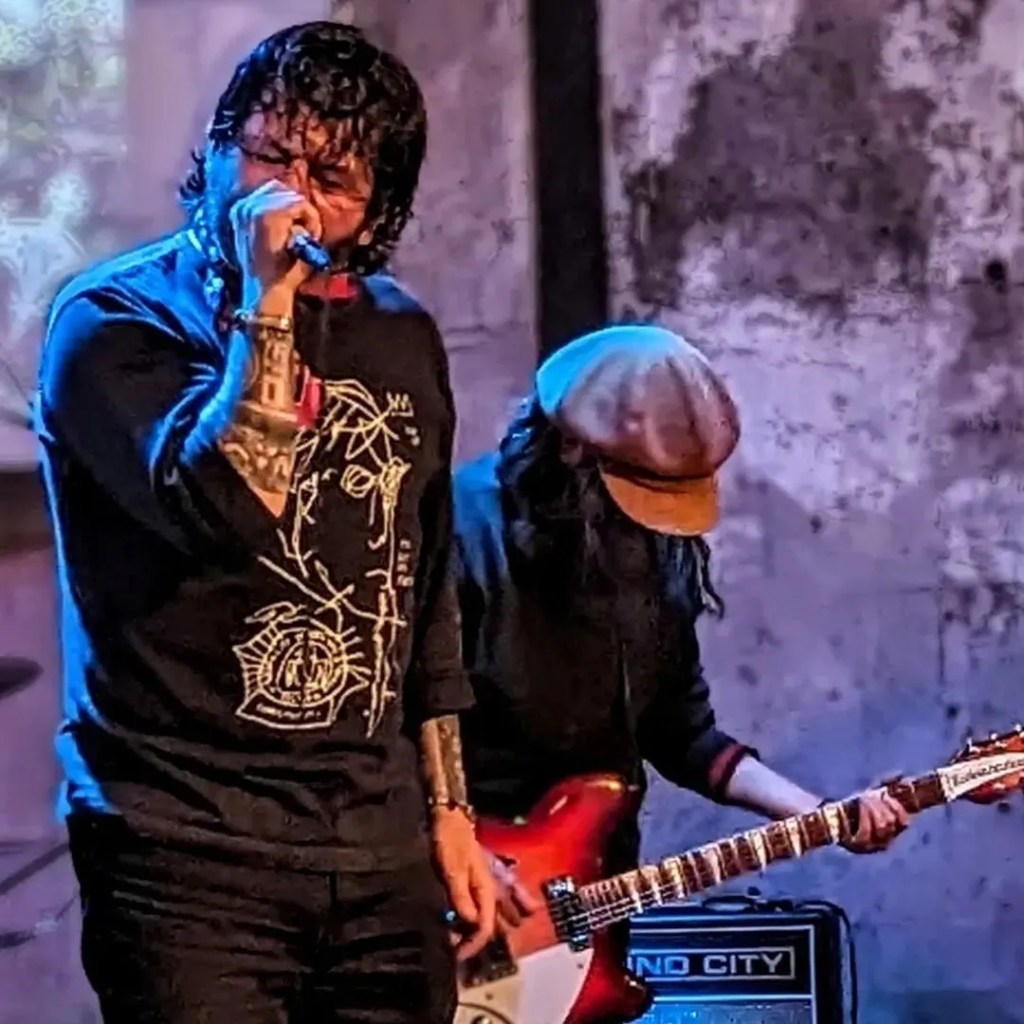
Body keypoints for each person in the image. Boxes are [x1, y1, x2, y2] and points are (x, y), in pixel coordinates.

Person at [36, 22, 494, 1024]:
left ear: (377, 209)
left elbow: (423, 589)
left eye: (330, 176)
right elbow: (235, 505)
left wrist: (450, 811)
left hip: (376, 849)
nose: (288, 194)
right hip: (185, 851)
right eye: (268, 153)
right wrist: (267, 301)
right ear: (214, 150)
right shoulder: (114, 322)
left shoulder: (401, 333)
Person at [452, 325, 910, 934]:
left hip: (591, 897)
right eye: (636, 496)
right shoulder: (458, 532)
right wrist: (449, 847)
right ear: (570, 450)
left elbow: (682, 733)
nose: (647, 526)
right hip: (460, 898)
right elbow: (387, 735)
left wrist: (823, 815)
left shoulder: (655, 555)